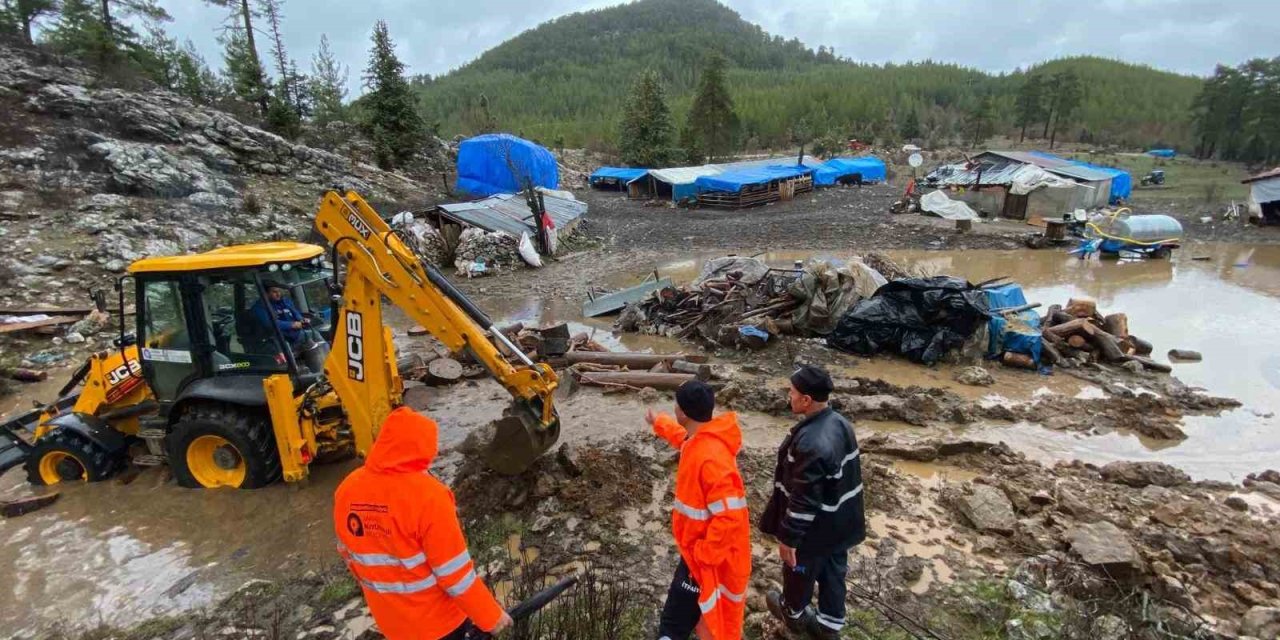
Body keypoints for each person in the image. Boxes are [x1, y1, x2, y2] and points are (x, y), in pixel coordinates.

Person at [333, 407, 513, 640]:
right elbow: (455, 575)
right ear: (424, 449)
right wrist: (491, 617)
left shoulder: (347, 489)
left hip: (391, 624)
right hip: (440, 625)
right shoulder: (429, 496)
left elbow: (349, 555)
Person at [758, 365, 866, 640]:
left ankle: (793, 613)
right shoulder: (841, 424)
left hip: (814, 531)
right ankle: (830, 624)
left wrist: (789, 539)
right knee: (833, 573)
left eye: (792, 392)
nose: (788, 397)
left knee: (799, 571)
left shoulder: (811, 443)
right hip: (840, 523)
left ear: (806, 399)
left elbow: (804, 500)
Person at [646, 380, 751, 640]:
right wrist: (658, 423)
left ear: (683, 412)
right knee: (703, 620)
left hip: (706, 558)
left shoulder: (711, 458)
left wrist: (703, 556)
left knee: (674, 623)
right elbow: (682, 438)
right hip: (700, 552)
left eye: (675, 407)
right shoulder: (702, 438)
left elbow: (730, 517)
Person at [251, 281, 308, 346]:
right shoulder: (259, 308)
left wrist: (301, 319)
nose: (278, 294)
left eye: (279, 291)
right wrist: (292, 325)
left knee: (315, 335)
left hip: (296, 335)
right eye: (274, 292)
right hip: (278, 341)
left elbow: (295, 312)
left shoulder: (285, 301)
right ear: (265, 293)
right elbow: (270, 324)